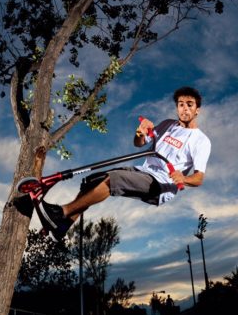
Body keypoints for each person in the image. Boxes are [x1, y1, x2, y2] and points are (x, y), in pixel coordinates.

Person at [39, 86, 211, 240]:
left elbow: (199, 178)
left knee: (113, 179)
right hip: (143, 171)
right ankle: (62, 227)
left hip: (161, 183)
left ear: (197, 110)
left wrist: (184, 178)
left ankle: (61, 212)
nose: (185, 108)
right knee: (92, 181)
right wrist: (140, 133)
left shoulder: (201, 140)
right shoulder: (167, 124)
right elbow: (139, 143)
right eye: (181, 104)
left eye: (190, 104)